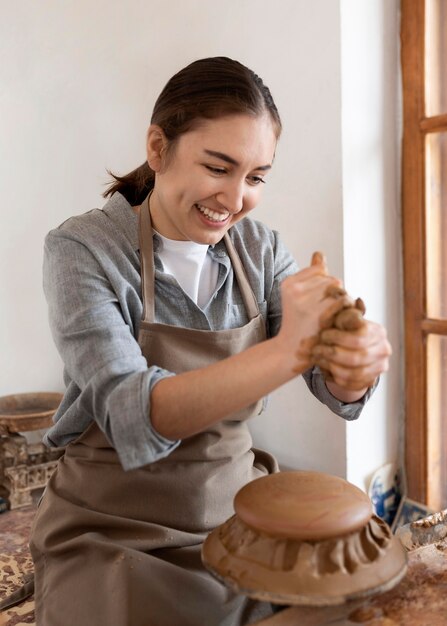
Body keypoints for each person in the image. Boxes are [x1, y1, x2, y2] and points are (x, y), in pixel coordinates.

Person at [29, 56, 391, 626]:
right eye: (218, 167)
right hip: (114, 533)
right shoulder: (83, 250)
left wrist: (355, 361)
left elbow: (333, 386)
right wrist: (289, 348)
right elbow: (132, 413)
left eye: (256, 177)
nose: (235, 197)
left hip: (241, 518)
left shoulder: (261, 250)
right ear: (158, 147)